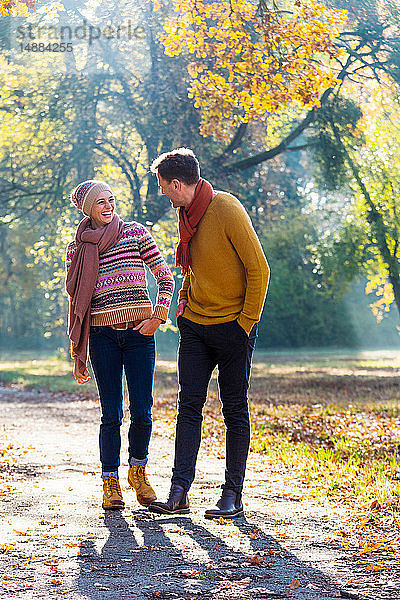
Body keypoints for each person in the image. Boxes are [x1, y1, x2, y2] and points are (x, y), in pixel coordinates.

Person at [148, 148, 269, 519]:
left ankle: (232, 493)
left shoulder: (226, 208)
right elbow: (193, 267)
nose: (163, 194)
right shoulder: (186, 213)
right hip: (196, 328)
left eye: (163, 187)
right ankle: (179, 490)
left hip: (234, 328)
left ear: (177, 183)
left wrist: (245, 324)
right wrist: (184, 300)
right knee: (189, 408)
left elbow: (259, 269)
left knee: (234, 410)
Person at [65, 180, 174, 510]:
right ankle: (110, 481)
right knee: (110, 414)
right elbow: (76, 303)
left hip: (139, 336)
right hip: (102, 339)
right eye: (101, 202)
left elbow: (165, 277)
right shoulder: (77, 248)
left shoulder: (136, 233)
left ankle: (138, 473)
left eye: (111, 199)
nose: (108, 205)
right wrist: (78, 352)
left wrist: (158, 315)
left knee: (142, 411)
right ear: (88, 209)